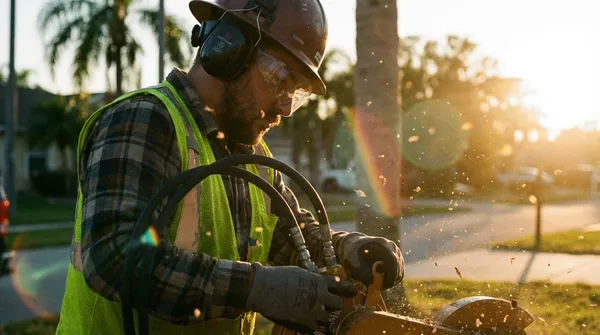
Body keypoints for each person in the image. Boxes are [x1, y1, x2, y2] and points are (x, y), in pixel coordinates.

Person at [56, 0, 405, 334]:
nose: (284, 107)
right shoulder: (145, 120)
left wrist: (349, 249)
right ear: (228, 49)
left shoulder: (250, 153)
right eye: (281, 80)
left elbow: (289, 237)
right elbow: (115, 259)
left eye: (296, 94)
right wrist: (254, 287)